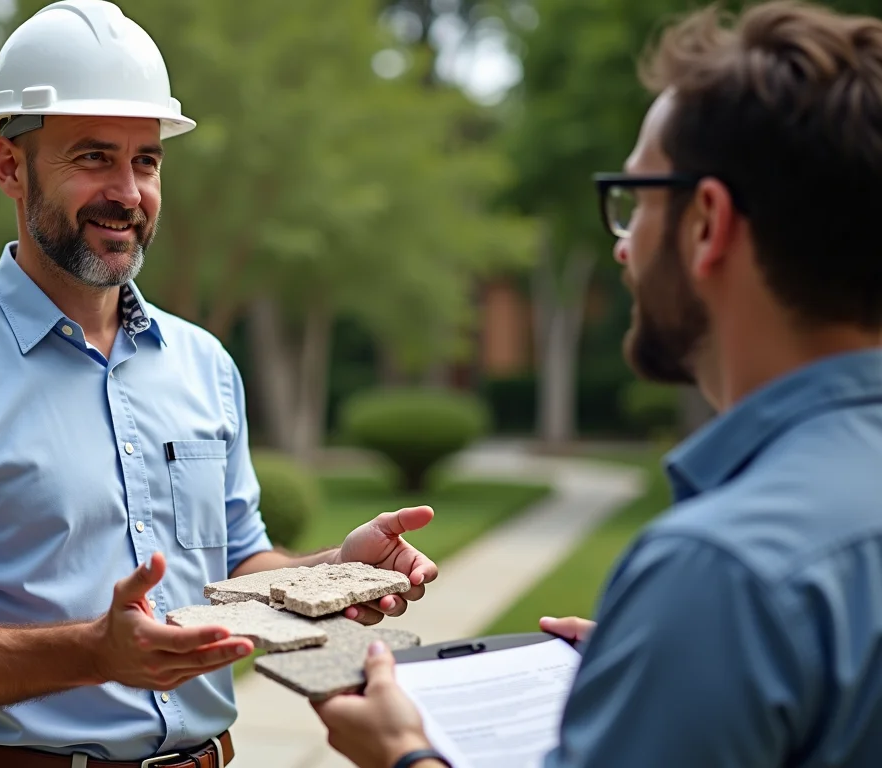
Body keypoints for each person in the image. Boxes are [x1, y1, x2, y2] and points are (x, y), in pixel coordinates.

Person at [0, 2, 440, 767]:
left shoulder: (204, 364)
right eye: (91, 158)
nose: (128, 192)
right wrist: (94, 653)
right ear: (9, 166)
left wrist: (334, 570)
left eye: (145, 160)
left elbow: (237, 568)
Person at [311, 1, 882, 766]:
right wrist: (667, 660)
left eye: (637, 201)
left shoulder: (722, 573)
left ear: (706, 224)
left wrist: (405, 757)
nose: (623, 249)